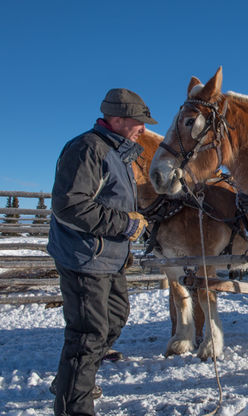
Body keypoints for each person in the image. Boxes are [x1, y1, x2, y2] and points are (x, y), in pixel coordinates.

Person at [47, 88, 156, 415]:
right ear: (118, 119)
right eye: (139, 122)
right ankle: (73, 405)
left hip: (108, 260)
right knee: (87, 335)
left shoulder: (117, 154)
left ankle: (71, 379)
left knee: (114, 318)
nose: (144, 129)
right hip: (84, 259)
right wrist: (124, 224)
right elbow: (69, 205)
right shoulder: (87, 149)